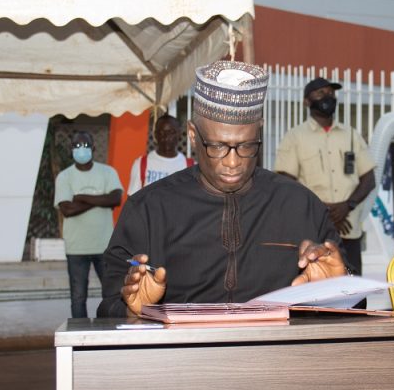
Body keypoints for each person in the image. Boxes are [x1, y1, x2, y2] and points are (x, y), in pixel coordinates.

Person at [98, 61, 350, 318]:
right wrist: (133, 310)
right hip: (183, 356)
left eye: (247, 146)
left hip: (278, 357)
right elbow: (108, 307)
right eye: (217, 146)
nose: (233, 162)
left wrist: (339, 292)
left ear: (259, 131)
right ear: (193, 136)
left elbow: (350, 306)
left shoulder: (301, 205)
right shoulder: (148, 210)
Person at [274, 77, 376, 274]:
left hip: (348, 228)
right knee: (315, 292)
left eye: (330, 92)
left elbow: (369, 178)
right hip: (312, 232)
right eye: (320, 93)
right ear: (306, 101)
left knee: (354, 289)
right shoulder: (294, 137)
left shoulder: (351, 134)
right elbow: (286, 181)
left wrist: (348, 206)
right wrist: (322, 210)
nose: (327, 96)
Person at [54, 131, 123, 318]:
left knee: (111, 294)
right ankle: (79, 337)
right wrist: (101, 199)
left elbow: (116, 198)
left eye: (85, 145)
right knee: (78, 297)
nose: (81, 150)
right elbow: (67, 210)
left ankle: (109, 332)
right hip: (76, 248)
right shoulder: (64, 177)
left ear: (93, 147)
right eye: (77, 146)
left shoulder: (108, 172)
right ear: (71, 150)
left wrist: (81, 197)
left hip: (104, 246)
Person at [127, 114, 194, 196]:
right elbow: (133, 201)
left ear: (179, 134)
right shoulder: (141, 164)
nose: (166, 137)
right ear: (155, 135)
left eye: (171, 132)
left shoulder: (190, 167)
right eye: (162, 132)